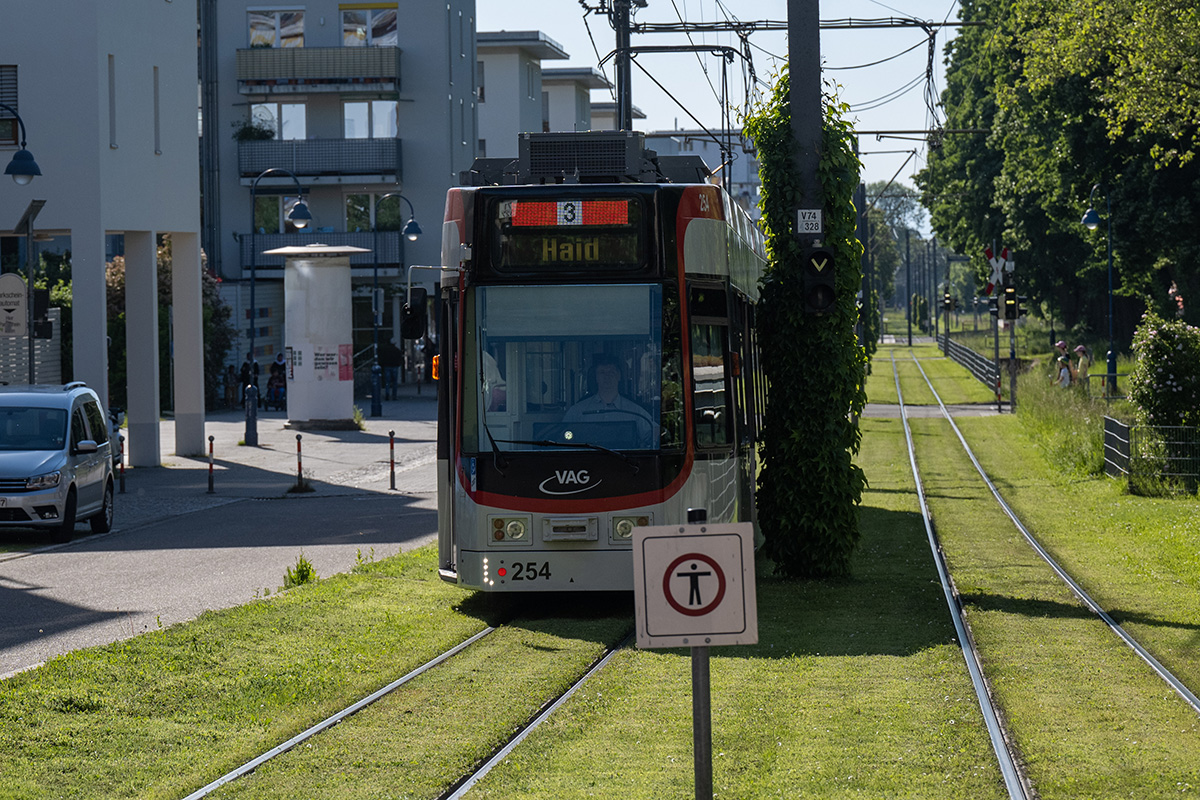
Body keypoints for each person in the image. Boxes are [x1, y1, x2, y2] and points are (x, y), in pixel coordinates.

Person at [562, 354, 654, 447]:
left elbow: (653, 436)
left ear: (619, 376)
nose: (607, 376)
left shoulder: (635, 411)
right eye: (602, 372)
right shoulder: (578, 411)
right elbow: (563, 438)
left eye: (612, 372)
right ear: (596, 377)